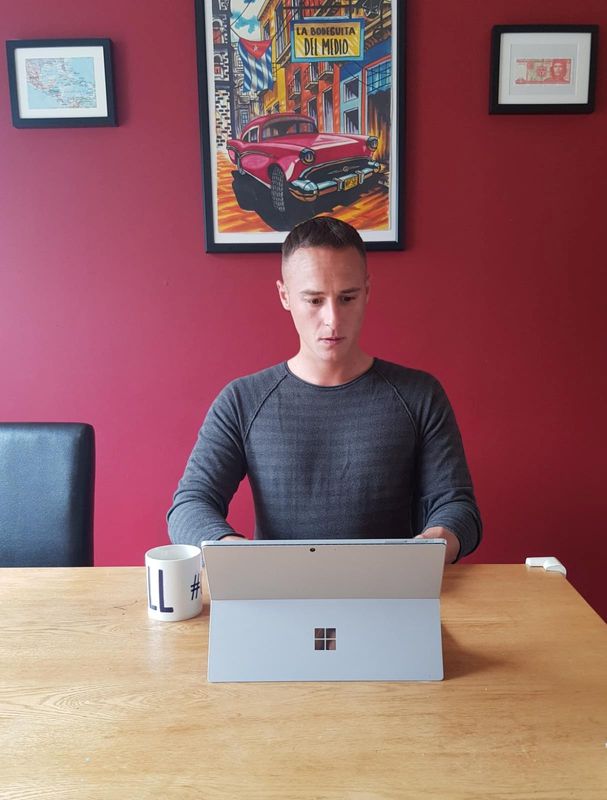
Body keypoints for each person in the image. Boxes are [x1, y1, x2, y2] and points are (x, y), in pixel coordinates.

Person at [167, 217, 481, 563]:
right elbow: (189, 505)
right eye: (314, 300)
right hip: (277, 597)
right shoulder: (241, 401)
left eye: (347, 298)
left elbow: (457, 507)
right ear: (285, 296)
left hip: (389, 594)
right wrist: (234, 553)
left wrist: (436, 541)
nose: (332, 319)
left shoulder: (420, 395)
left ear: (367, 291)